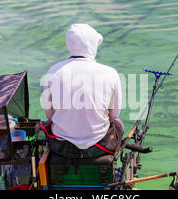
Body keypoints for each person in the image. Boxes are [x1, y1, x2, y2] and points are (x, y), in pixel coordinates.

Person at [41, 23, 123, 158]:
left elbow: (49, 116)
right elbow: (113, 116)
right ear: (92, 45)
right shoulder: (110, 73)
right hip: (98, 146)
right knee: (120, 123)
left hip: (61, 146)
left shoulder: (53, 71)